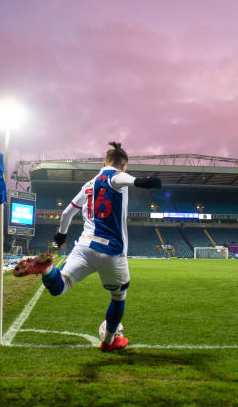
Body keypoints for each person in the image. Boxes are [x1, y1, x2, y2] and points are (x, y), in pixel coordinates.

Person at [12, 142, 162, 352]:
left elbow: (66, 214)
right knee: (118, 297)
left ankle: (46, 269)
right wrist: (142, 181)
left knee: (60, 286)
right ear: (124, 165)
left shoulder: (88, 185)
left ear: (104, 162)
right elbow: (123, 179)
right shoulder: (116, 176)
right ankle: (109, 342)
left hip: (83, 246)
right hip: (110, 250)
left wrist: (60, 236)